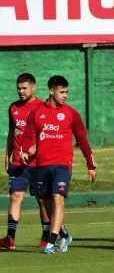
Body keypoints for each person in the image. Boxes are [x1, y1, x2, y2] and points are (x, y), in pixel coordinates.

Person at [21, 75, 97, 254]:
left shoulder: (71, 113)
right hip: (42, 165)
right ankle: (64, 235)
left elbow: (83, 141)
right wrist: (24, 150)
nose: (65, 96)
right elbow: (27, 135)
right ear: (51, 91)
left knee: (58, 199)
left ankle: (50, 242)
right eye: (62, 92)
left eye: (67, 92)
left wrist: (91, 164)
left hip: (63, 164)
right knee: (47, 204)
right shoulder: (37, 112)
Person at [0, 73, 51, 250]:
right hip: (17, 163)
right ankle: (10, 239)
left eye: (24, 88)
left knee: (42, 200)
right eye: (18, 88)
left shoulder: (42, 107)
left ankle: (46, 237)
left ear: (34, 87)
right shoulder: (13, 107)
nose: (21, 91)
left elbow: (47, 135)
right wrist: (7, 156)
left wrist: (34, 149)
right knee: (15, 197)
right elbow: (12, 132)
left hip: (37, 164)